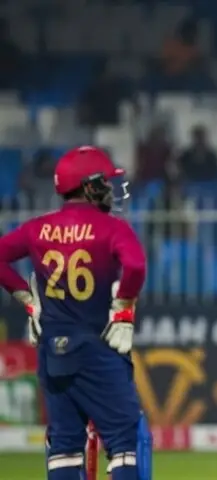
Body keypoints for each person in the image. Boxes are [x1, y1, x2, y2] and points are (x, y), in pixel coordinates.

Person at [0, 146, 150, 480]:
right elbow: (136, 266)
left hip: (52, 349)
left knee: (65, 447)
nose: (111, 190)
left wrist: (28, 300)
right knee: (124, 441)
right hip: (98, 347)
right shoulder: (111, 228)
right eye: (106, 183)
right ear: (90, 185)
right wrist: (124, 309)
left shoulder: (38, 228)